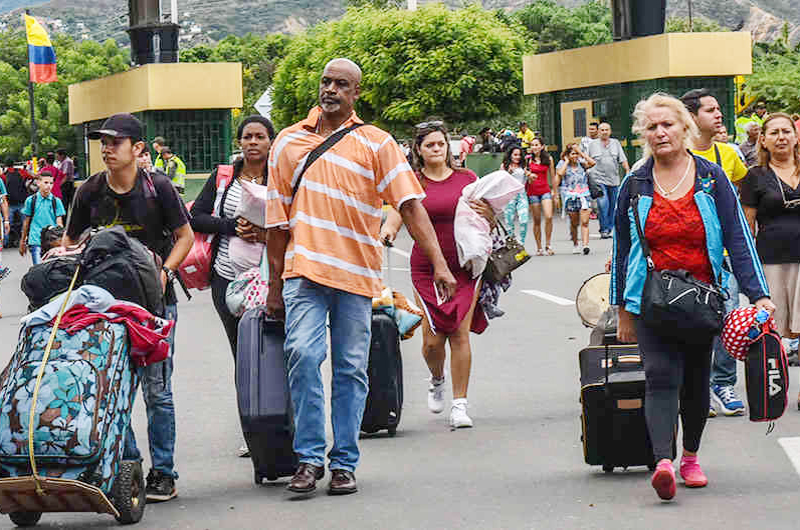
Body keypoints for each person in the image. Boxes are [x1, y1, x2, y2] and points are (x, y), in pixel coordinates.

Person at [264, 59, 456, 496]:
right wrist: (275, 285)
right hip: (303, 271)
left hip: (356, 275)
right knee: (302, 355)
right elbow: (277, 223)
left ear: (355, 94)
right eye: (326, 81)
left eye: (341, 84)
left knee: (351, 367)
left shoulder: (376, 143)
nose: (330, 89)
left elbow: (409, 205)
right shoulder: (288, 143)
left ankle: (344, 462)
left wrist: (440, 264)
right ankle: (310, 458)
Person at [612, 92, 773, 501]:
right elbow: (620, 248)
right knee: (661, 376)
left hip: (702, 299)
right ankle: (663, 462)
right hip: (649, 300)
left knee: (696, 382)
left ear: (684, 127)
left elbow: (738, 236)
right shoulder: (635, 183)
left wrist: (758, 294)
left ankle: (690, 457)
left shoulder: (709, 176)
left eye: (668, 124)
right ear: (642, 135)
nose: (660, 132)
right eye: (652, 126)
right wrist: (622, 311)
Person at [64, 113, 193, 503]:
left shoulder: (160, 188)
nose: (106, 149)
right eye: (102, 142)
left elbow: (185, 236)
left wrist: (167, 271)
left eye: (114, 142)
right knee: (112, 391)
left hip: (155, 306)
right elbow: (72, 240)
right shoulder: (89, 191)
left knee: (157, 392)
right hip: (105, 310)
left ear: (138, 149)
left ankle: (164, 474)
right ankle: (131, 466)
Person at [382, 121, 492, 429]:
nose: (436, 149)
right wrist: (388, 232)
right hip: (426, 266)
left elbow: (487, 216)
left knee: (459, 332)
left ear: (448, 148)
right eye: (429, 145)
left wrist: (491, 215)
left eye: (441, 144)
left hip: (464, 266)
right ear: (418, 149)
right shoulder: (411, 182)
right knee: (432, 340)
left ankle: (459, 404)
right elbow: (397, 214)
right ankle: (437, 378)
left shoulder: (467, 179)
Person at [680, 88, 749, 417]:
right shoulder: (677, 154)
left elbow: (743, 199)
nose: (719, 114)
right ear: (692, 118)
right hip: (685, 256)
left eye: (719, 109)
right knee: (692, 321)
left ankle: (723, 382)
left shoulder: (730, 155)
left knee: (730, 315)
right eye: (711, 110)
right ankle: (696, 386)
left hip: (722, 256)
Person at [190, 115, 273, 359]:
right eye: (248, 137)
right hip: (226, 278)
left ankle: (271, 397)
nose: (253, 142)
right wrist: (232, 227)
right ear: (239, 142)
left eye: (260, 137)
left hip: (269, 279)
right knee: (241, 351)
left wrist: (262, 234)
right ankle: (246, 398)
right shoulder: (223, 177)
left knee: (270, 349)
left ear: (271, 142)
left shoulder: (281, 180)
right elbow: (196, 217)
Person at [739, 112, 800, 408]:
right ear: (763, 140)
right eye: (774, 132)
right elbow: (746, 227)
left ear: (796, 135)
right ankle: (773, 390)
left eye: (786, 131)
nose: (781, 137)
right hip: (770, 261)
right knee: (771, 330)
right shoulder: (755, 176)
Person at [586, 122, 630, 239]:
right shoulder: (592, 145)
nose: (604, 132)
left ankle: (610, 228)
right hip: (598, 179)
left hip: (614, 180)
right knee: (603, 204)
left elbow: (623, 159)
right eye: (602, 130)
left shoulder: (615, 143)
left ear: (610, 131)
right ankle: (604, 229)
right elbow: (586, 160)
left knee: (612, 205)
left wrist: (628, 171)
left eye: (606, 130)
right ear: (598, 132)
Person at [555, 143, 595, 255]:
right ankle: (575, 243)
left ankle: (585, 245)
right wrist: (567, 161)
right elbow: (560, 173)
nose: (575, 156)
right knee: (574, 223)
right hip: (570, 196)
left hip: (584, 195)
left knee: (585, 221)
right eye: (573, 153)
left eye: (576, 154)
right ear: (568, 155)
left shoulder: (582, 164)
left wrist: (581, 153)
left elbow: (592, 163)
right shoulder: (562, 164)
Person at [20, 171, 65, 265]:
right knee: (38, 267)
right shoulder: (30, 201)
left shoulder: (56, 202)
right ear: (38, 183)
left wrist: (62, 241)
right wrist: (22, 241)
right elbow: (26, 222)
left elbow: (59, 223)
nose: (49, 186)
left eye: (51, 183)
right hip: (35, 239)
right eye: (46, 182)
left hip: (52, 240)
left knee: (52, 269)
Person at [526, 137, 556, 256]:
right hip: (533, 192)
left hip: (545, 190)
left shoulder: (548, 159)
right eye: (532, 145)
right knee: (537, 220)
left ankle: (548, 244)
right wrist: (528, 173)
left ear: (542, 146)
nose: (534, 147)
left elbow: (552, 176)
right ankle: (539, 247)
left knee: (549, 216)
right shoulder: (528, 159)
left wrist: (555, 191)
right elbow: (523, 172)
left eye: (537, 145)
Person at [500, 145, 530, 246]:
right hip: (509, 196)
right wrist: (508, 172)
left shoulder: (524, 166)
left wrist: (529, 175)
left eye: (519, 155)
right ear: (510, 155)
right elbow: (500, 181)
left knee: (524, 220)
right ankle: (512, 243)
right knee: (509, 222)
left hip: (521, 195)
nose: (517, 157)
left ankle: (521, 242)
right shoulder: (504, 166)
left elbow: (530, 180)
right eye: (515, 155)